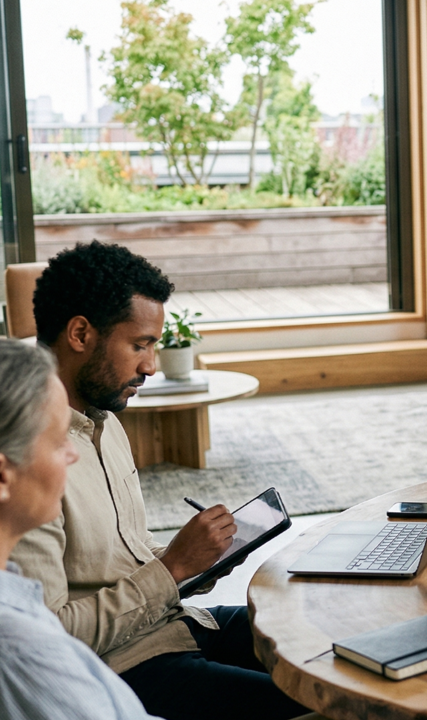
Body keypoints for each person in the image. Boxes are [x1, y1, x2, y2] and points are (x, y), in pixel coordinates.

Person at [9, 241, 310, 720]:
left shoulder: (106, 422)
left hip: (178, 623)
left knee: (319, 638)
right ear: (80, 334)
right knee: (316, 703)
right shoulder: (28, 468)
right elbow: (49, 637)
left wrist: (199, 561)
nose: (151, 365)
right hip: (126, 665)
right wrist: (172, 569)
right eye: (140, 345)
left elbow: (127, 553)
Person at [0, 340, 160, 719]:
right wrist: (172, 573)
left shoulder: (17, 592)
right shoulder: (23, 647)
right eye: (59, 442)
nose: (74, 454)